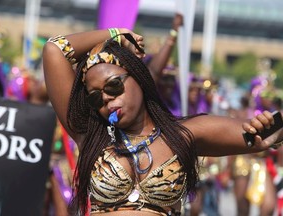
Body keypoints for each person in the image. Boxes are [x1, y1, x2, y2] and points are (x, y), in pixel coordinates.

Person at [42, 28, 283, 216]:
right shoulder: (91, 137)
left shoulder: (182, 134)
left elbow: (262, 133)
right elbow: (55, 50)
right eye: (95, 97)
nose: (105, 97)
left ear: (139, 77)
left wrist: (266, 130)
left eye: (113, 86)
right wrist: (115, 33)